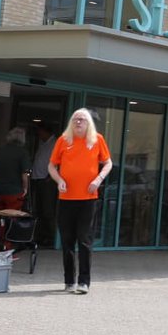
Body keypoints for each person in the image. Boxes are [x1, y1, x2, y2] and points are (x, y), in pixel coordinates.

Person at [48, 108, 110, 294]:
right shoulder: (63, 140)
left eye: (82, 119)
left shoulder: (97, 139)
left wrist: (98, 179)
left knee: (84, 240)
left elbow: (108, 163)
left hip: (88, 199)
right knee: (67, 241)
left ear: (88, 122)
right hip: (66, 198)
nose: (78, 122)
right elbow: (51, 165)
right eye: (75, 119)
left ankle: (84, 282)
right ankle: (69, 282)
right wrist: (59, 180)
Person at [29, 122, 58, 249]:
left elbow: (57, 161)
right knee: (38, 210)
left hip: (46, 181)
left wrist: (49, 177)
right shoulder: (43, 143)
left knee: (47, 210)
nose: (39, 134)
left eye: (40, 131)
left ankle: (51, 237)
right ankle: (40, 236)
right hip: (37, 178)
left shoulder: (55, 143)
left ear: (46, 132)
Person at [0, 127, 32, 213]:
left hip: (0, 190)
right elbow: (25, 174)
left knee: (0, 215)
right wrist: (25, 188)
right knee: (13, 216)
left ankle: (1, 226)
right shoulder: (23, 153)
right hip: (15, 191)